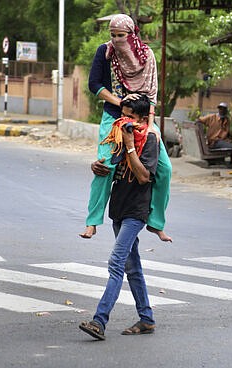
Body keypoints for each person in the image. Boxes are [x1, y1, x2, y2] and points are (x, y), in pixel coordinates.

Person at [79, 13, 172, 242]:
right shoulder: (105, 52)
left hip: (143, 118)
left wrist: (149, 127)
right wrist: (119, 102)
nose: (117, 40)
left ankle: (156, 222)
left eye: (121, 35)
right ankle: (92, 221)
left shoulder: (146, 55)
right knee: (105, 166)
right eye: (113, 35)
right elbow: (95, 84)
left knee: (164, 169)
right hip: (114, 116)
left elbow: (151, 95)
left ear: (132, 35)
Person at [79, 95, 159, 340]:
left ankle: (99, 321)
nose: (125, 122)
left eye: (131, 117)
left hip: (136, 211)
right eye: (122, 116)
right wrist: (97, 166)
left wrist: (131, 145)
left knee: (116, 264)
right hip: (119, 209)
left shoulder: (149, 139)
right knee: (132, 267)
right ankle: (146, 318)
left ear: (143, 118)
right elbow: (112, 166)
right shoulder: (119, 134)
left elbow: (144, 176)